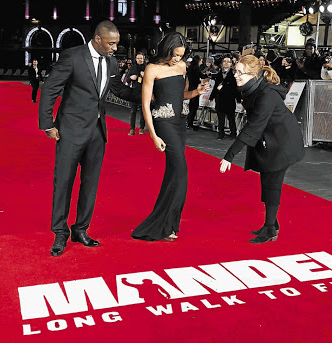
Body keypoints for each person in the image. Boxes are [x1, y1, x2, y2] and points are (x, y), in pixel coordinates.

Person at [39, 20, 137, 256]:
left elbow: (117, 89)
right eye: (111, 43)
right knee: (63, 183)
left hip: (97, 131)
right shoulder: (72, 56)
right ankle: (60, 232)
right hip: (70, 130)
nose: (115, 48)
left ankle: (80, 229)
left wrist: (148, 95)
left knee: (90, 184)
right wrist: (47, 124)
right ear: (97, 39)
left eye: (116, 43)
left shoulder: (112, 61)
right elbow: (50, 88)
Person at [131, 32, 209, 242]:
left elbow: (179, 95)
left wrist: (196, 92)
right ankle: (166, 224)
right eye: (175, 54)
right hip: (163, 122)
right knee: (181, 171)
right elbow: (146, 104)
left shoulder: (182, 67)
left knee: (174, 173)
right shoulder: (152, 69)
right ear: (166, 49)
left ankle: (168, 225)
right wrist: (153, 135)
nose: (177, 59)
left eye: (181, 55)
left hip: (179, 122)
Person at [219, 55, 305, 243]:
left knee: (272, 183)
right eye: (236, 71)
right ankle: (271, 223)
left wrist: (230, 155)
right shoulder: (251, 88)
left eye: (241, 72)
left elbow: (252, 126)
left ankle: (270, 230)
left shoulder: (266, 94)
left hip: (282, 141)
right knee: (267, 181)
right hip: (270, 139)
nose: (236, 75)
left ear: (253, 74)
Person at [209, 55, 238, 140]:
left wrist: (238, 98)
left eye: (228, 61)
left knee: (231, 118)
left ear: (231, 64)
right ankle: (220, 133)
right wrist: (212, 97)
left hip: (229, 99)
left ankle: (233, 133)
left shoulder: (233, 74)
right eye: (224, 61)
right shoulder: (218, 74)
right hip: (220, 99)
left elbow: (235, 88)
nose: (226, 63)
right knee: (220, 117)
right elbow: (215, 87)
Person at [127, 52, 147, 136]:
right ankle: (132, 129)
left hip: (144, 92)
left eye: (141, 58)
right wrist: (131, 78)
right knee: (133, 111)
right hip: (134, 92)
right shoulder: (133, 68)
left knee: (143, 112)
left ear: (144, 59)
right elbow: (127, 80)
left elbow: (153, 80)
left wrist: (145, 76)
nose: (140, 60)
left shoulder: (147, 68)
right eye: (138, 58)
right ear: (135, 59)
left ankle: (141, 128)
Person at [186, 55, 204, 129]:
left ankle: (189, 121)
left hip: (190, 88)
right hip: (196, 89)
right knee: (194, 106)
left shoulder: (190, 68)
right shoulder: (196, 68)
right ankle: (190, 122)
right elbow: (201, 76)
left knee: (191, 105)